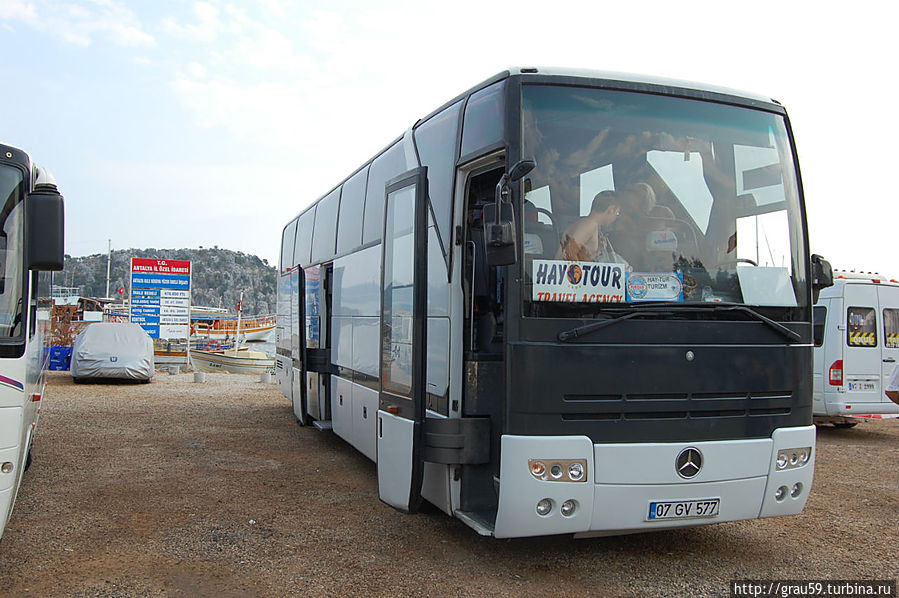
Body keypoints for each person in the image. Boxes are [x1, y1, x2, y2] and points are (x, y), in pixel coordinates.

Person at [555, 190, 626, 264]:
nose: (615, 217)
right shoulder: (589, 225)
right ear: (611, 210)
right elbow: (566, 258)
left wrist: (597, 251)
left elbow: (572, 257)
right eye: (617, 213)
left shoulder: (585, 223)